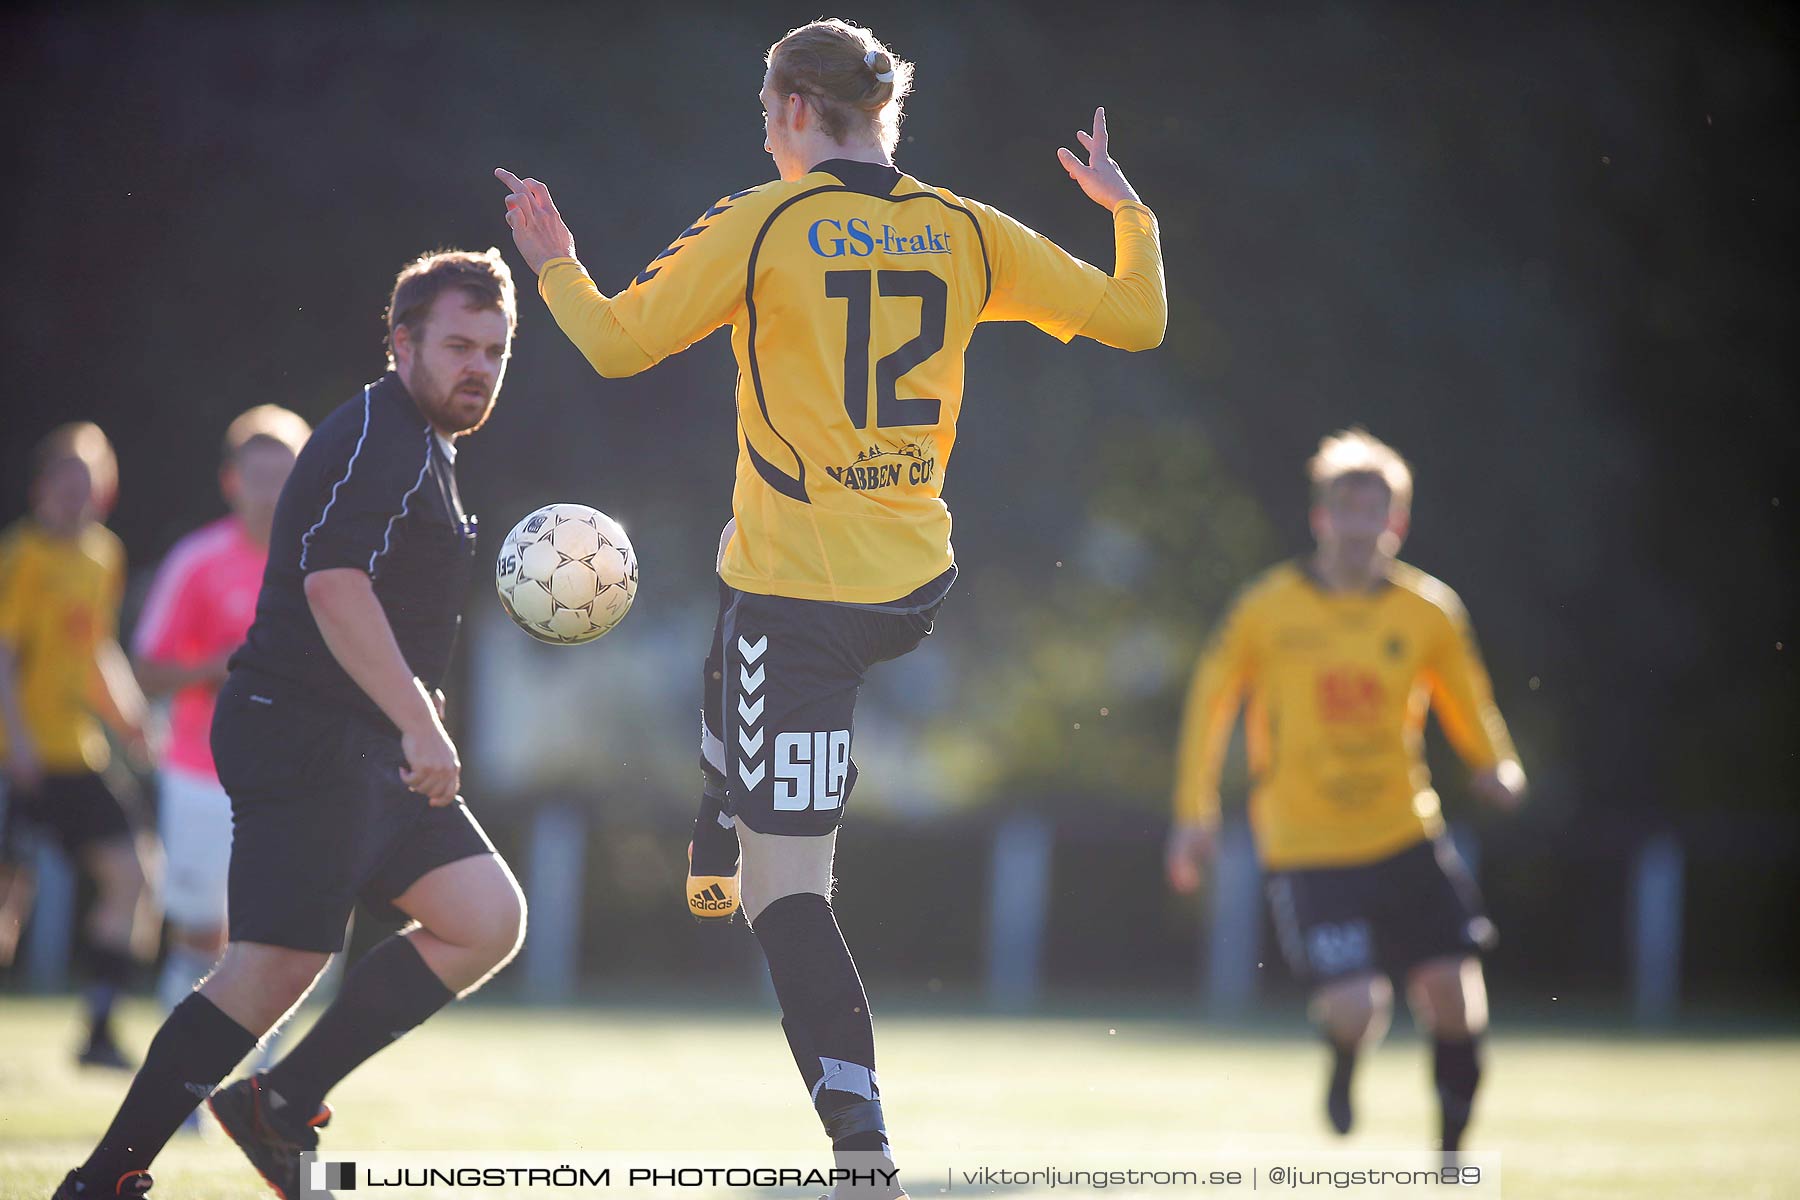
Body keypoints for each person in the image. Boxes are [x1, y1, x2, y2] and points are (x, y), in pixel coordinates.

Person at [496, 18, 1164, 1197]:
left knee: (783, 895)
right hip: (907, 586)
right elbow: (1136, 318)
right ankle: (723, 799)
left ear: (799, 110)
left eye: (766, 115)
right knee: (742, 574)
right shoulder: (960, 227)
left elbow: (614, 345)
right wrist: (1129, 212)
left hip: (796, 602)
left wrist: (554, 260)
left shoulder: (764, 221)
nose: (763, 136)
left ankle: (860, 1145)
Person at [54, 249, 528, 1200]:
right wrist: (419, 722)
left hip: (367, 740)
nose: (478, 365)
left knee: (483, 920)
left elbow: (370, 600)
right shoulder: (380, 433)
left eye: (495, 348)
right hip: (303, 733)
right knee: (272, 965)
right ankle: (103, 1180)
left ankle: (281, 1101)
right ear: (401, 344)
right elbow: (331, 582)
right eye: (457, 345)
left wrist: (408, 703)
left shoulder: (420, 443)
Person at [1165, 428, 1527, 1155]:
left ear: (1398, 522)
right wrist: (1193, 813)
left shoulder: (1429, 611)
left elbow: (1468, 698)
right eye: (1348, 510)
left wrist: (1497, 763)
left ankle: (1451, 1158)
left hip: (1405, 830)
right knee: (1355, 1005)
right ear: (1320, 518)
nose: (1363, 528)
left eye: (1379, 513)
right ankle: (1345, 1055)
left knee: (1455, 997)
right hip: (1307, 844)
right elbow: (1210, 702)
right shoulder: (1267, 609)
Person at [133, 405, 311, 1016]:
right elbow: (146, 669)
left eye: (283, 475)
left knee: (290, 939)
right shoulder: (197, 560)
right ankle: (180, 1092)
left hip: (297, 778)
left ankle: (256, 1091)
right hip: (200, 773)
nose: (269, 492)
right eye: (257, 476)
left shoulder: (323, 565)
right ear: (230, 480)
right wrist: (218, 666)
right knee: (202, 935)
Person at [0, 422, 159, 1071]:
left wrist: (131, 721)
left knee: (135, 875)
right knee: (9, 900)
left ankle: (97, 1028)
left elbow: (95, 649)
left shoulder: (103, 558)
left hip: (77, 753)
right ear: (41, 489)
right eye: (64, 482)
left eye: (87, 484)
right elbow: (6, 658)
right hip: (20, 757)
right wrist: (19, 744)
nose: (75, 496)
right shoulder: (23, 555)